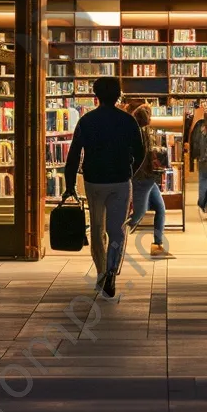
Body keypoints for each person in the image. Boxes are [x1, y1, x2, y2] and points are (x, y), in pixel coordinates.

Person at [62, 76, 145, 298]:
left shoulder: (87, 121)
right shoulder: (128, 121)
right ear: (119, 96)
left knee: (97, 228)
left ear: (95, 96)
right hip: (119, 180)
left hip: (94, 179)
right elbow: (140, 152)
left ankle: (100, 272)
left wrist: (69, 183)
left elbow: (74, 154)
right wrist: (129, 171)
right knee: (117, 229)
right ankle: (111, 271)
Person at [127, 105, 168, 257]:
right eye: (149, 116)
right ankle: (118, 236)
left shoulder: (142, 131)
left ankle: (157, 245)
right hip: (142, 179)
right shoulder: (139, 132)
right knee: (139, 212)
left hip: (148, 178)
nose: (150, 119)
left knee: (160, 208)